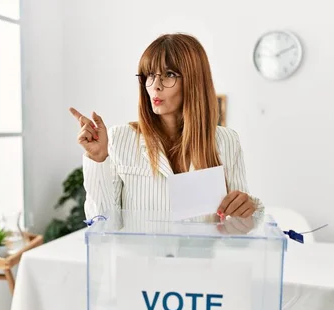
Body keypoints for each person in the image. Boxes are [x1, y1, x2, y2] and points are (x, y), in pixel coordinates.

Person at [70, 33, 263, 227]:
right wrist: (98, 159)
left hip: (200, 257)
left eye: (169, 75)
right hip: (139, 257)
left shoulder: (227, 141)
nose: (155, 86)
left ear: (194, 81)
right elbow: (102, 224)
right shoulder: (120, 138)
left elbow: (238, 228)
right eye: (150, 75)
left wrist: (245, 212)